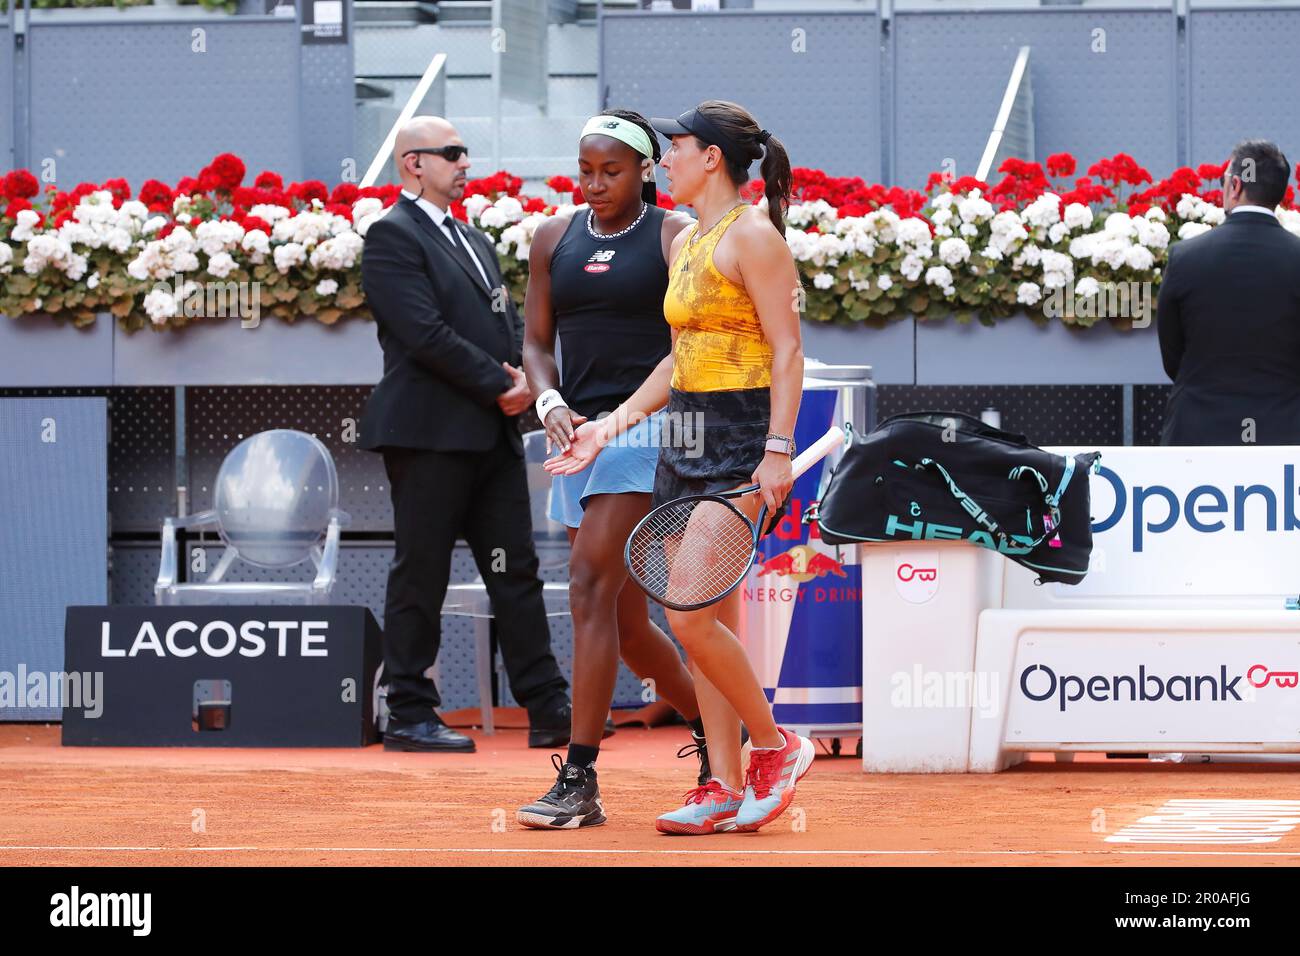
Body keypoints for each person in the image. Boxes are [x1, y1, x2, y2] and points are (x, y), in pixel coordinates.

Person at [545, 100, 812, 834]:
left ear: (712, 159)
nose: (665, 160)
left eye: (677, 148)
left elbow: (788, 350)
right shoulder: (691, 239)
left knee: (686, 615)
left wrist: (778, 449)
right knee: (712, 618)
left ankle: (776, 746)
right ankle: (723, 783)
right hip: (685, 437)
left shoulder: (755, 237)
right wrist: (609, 428)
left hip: (741, 437)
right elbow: (678, 358)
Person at [516, 110, 715, 831]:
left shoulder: (676, 237)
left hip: (648, 429)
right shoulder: (551, 238)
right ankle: (724, 742)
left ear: (645, 172)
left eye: (613, 171)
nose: (596, 184)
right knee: (627, 625)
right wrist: (549, 403)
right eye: (586, 172)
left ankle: (579, 778)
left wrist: (618, 422)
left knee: (590, 584)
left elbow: (681, 351)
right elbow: (536, 343)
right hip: (578, 437)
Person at [359, 115, 571, 753]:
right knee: (421, 573)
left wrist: (518, 377)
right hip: (428, 436)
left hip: (490, 435)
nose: (464, 162)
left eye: (465, 151)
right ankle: (409, 712)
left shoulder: (474, 242)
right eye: (451, 152)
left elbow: (500, 323)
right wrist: (500, 383)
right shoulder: (391, 236)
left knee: (517, 572)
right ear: (412, 164)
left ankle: (548, 707)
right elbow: (422, 334)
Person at [1158, 139, 1300, 445]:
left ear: (1235, 185)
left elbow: (1173, 356)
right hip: (1285, 436)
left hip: (1198, 434)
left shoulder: (1185, 257)